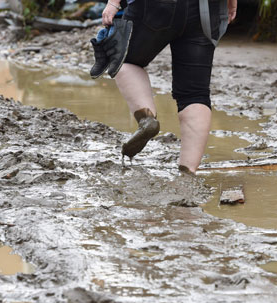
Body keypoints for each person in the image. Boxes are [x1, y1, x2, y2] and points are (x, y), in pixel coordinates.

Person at [100, 0, 237, 174]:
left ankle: (147, 119)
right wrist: (231, 3)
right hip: (206, 10)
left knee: (123, 59)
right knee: (195, 93)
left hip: (155, 6)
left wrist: (113, 3)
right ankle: (188, 173)